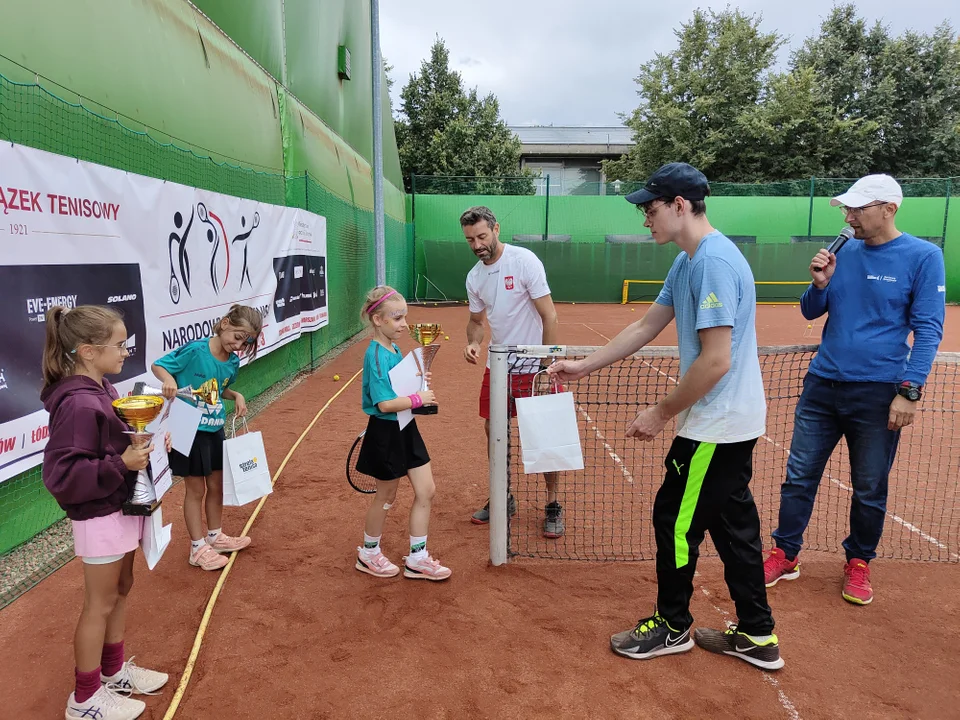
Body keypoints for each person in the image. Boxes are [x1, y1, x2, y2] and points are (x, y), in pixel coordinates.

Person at [549, 163, 783, 670]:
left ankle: (673, 624)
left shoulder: (714, 261)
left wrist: (660, 412)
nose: (645, 221)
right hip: (727, 425)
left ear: (681, 205)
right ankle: (759, 636)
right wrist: (582, 367)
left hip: (715, 429)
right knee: (733, 529)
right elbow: (645, 325)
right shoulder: (688, 261)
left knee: (674, 523)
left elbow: (716, 359)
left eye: (650, 210)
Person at [764, 175, 946, 605]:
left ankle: (859, 562)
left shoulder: (924, 256)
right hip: (822, 386)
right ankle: (785, 552)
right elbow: (811, 311)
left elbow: (929, 329)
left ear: (889, 209)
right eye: (847, 210)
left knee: (869, 486)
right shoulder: (841, 253)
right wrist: (820, 283)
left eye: (857, 209)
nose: (849, 218)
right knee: (799, 477)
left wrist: (910, 390)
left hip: (879, 392)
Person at [42, 305, 170, 720]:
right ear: (87, 351)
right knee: (98, 603)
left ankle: (113, 674)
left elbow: (113, 449)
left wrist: (142, 452)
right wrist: (122, 464)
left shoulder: (105, 389)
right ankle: (84, 699)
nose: (126, 351)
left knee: (122, 587)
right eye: (119, 345)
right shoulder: (78, 404)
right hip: (99, 514)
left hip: (121, 502)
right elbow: (63, 475)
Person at [461, 206, 564, 538]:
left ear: (496, 229)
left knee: (545, 437)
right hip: (499, 365)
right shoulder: (474, 277)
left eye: (481, 236)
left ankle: (552, 504)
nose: (477, 244)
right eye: (470, 239)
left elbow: (550, 316)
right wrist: (474, 344)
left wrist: (546, 369)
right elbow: (477, 323)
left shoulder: (524, 262)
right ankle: (502, 495)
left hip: (534, 366)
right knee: (494, 433)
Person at [151, 304, 262, 571]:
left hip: (214, 429)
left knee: (216, 486)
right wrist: (169, 381)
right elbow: (159, 366)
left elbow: (216, 390)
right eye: (237, 337)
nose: (238, 346)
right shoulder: (195, 351)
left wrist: (235, 395)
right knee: (196, 490)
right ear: (224, 324)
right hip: (186, 428)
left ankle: (215, 537)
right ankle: (197, 548)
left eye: (244, 343)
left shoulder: (232, 362)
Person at [353, 286, 452, 581]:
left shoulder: (394, 349)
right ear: (377, 320)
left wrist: (417, 382)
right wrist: (419, 399)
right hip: (385, 431)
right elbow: (384, 403)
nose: (404, 324)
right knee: (386, 495)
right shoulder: (375, 356)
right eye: (397, 318)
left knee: (427, 490)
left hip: (406, 427)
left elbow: (399, 389)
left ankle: (418, 558)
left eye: (404, 317)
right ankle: (369, 553)